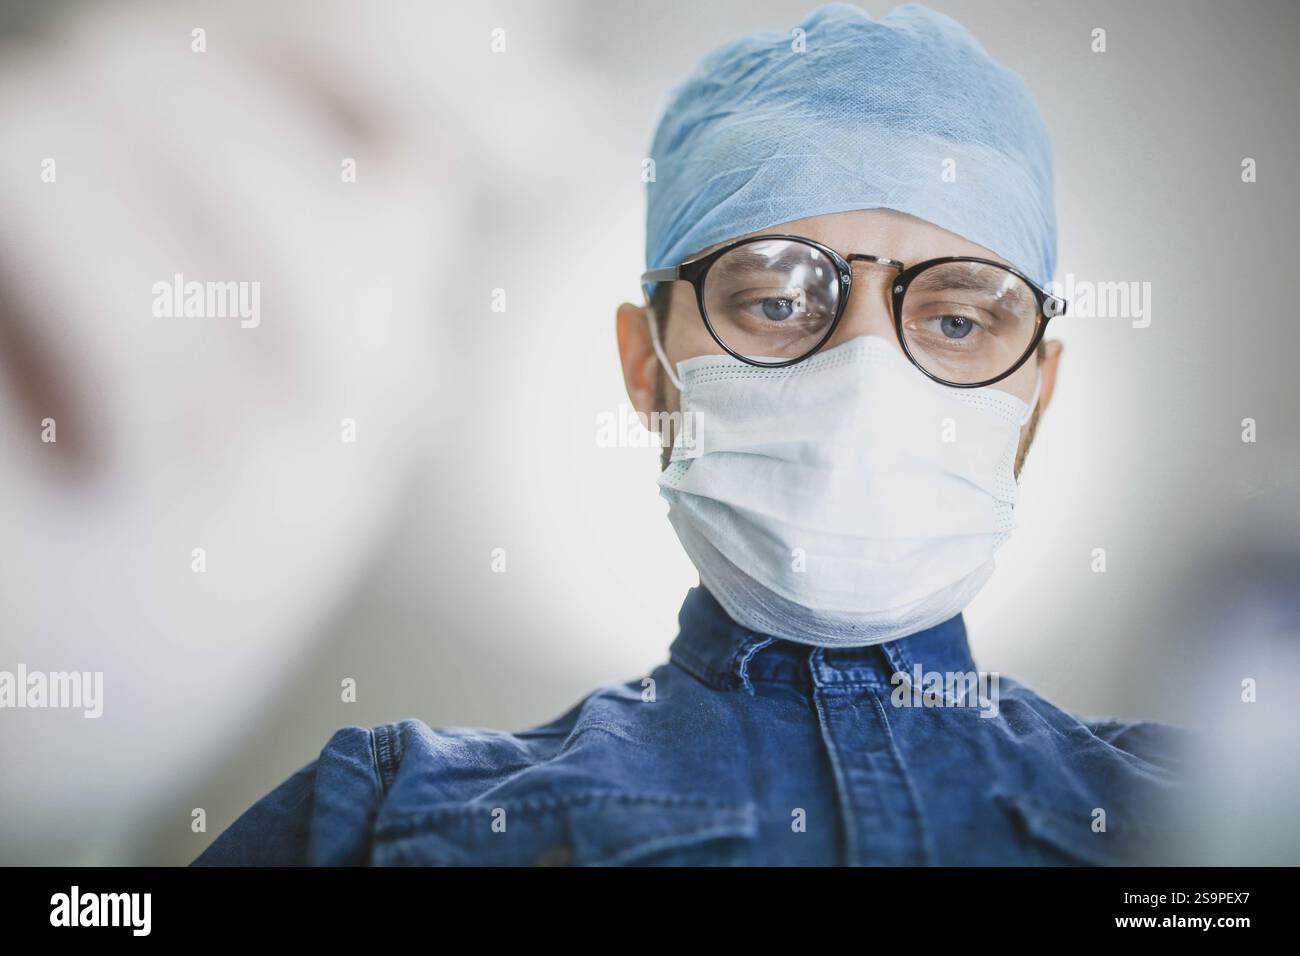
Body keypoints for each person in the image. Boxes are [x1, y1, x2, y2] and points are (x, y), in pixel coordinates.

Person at [193, 2, 1194, 867]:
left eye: (956, 320)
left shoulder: (1211, 820)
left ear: (1035, 396)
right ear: (647, 368)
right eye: (775, 300)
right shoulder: (391, 817)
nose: (862, 376)